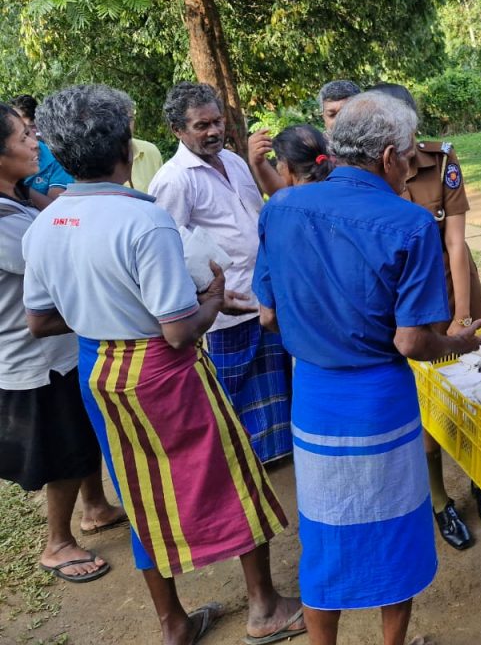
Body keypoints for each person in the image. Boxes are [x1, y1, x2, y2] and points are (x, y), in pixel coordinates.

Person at [21, 84, 304, 645]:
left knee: (138, 489)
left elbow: (40, 321)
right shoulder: (144, 220)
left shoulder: (45, 224)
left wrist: (102, 312)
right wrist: (213, 300)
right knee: (232, 473)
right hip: (162, 369)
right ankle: (264, 607)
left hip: (100, 367)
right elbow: (178, 330)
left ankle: (173, 623)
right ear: (127, 148)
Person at [253, 90, 481, 645]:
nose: (410, 165)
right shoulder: (409, 224)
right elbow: (411, 341)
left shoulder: (280, 208)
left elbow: (268, 316)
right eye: (407, 154)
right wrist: (457, 344)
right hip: (380, 402)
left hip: (313, 398)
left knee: (325, 536)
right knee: (394, 532)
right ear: (388, 157)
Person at [368, 82, 481, 549]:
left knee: (477, 387)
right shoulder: (366, 173)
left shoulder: (442, 160)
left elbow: (456, 242)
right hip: (407, 304)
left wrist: (461, 314)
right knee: (426, 405)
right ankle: (440, 499)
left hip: (455, 286)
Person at [0, 102, 126, 585]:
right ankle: (57, 542)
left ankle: (95, 506)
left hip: (60, 348)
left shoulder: (20, 195)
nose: (35, 142)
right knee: (62, 449)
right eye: (23, 137)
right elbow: (54, 249)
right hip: (33, 359)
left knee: (82, 430)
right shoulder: (5, 220)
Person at [150, 82, 292, 464]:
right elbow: (168, 247)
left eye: (217, 121)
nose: (213, 131)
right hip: (226, 306)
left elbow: (255, 215)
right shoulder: (174, 179)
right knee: (235, 386)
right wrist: (206, 297)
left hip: (263, 293)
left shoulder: (233, 160)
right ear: (178, 130)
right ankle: (243, 462)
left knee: (274, 381)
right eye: (201, 125)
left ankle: (274, 456)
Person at [11, 94, 73, 208]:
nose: (33, 144)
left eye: (26, 132)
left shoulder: (55, 157)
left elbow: (55, 208)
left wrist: (19, 186)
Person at [248, 124, 334, 197]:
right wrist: (258, 163)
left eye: (278, 160)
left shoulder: (289, 205)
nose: (277, 168)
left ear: (286, 163)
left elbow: (281, 194)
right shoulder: (335, 189)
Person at [108, 89, 165, 192]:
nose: (125, 126)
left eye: (129, 119)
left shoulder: (151, 152)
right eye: (118, 120)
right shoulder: (96, 158)